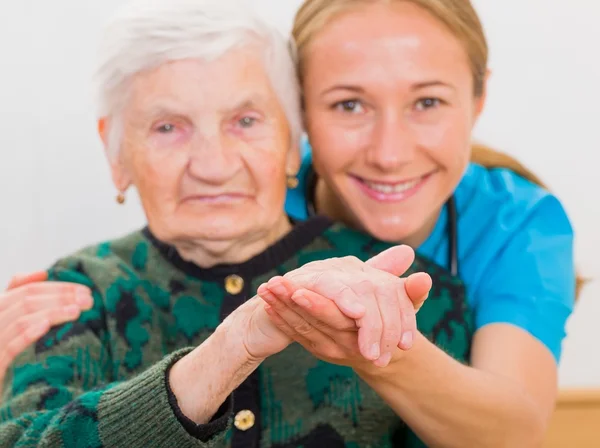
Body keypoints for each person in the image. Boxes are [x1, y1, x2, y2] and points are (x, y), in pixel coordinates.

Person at [0, 0, 578, 446]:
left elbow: (511, 431)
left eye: (246, 120)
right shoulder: (75, 296)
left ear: (287, 141)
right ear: (116, 152)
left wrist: (381, 348)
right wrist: (222, 355)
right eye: (166, 128)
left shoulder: (441, 276)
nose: (215, 165)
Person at [257, 0, 577, 446]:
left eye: (427, 102)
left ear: (478, 99)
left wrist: (375, 346)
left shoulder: (519, 224)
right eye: (349, 105)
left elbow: (513, 432)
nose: (390, 155)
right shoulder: (256, 196)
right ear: (300, 108)